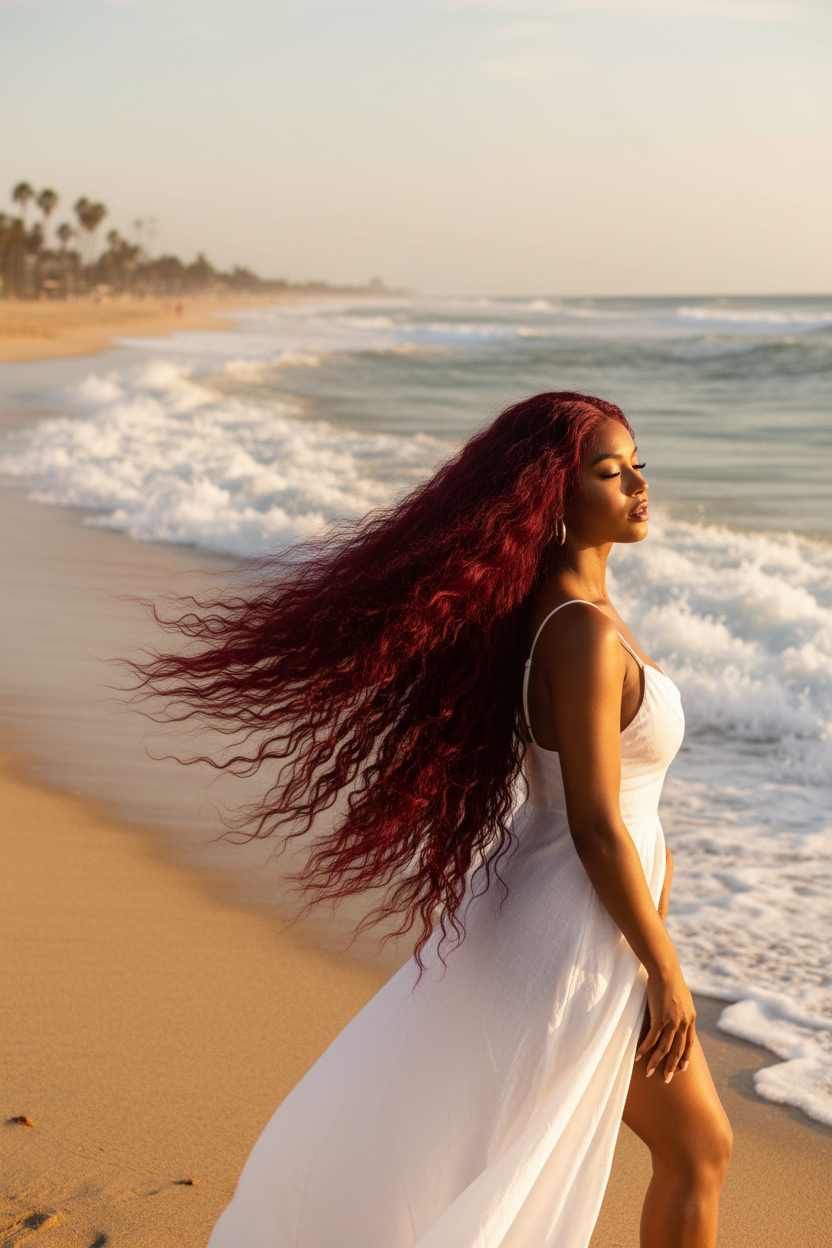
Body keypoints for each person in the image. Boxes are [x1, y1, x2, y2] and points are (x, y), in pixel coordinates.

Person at [136, 392, 732, 1247]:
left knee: (627, 1150)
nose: (639, 483)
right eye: (610, 471)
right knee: (695, 1147)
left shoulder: (570, 615)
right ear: (552, 499)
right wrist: (664, 967)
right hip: (580, 928)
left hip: (582, 918)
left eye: (639, 463)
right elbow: (598, 824)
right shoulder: (582, 635)